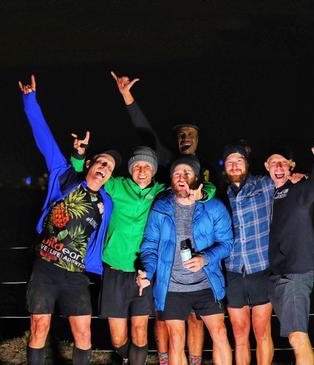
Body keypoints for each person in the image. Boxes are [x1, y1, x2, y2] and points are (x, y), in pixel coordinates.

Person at [70, 137, 216, 364]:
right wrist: (79, 157)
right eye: (137, 165)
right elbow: (86, 175)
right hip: (115, 269)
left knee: (140, 331)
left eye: (147, 166)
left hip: (145, 273)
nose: (142, 170)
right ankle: (126, 356)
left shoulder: (161, 191)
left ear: (154, 170)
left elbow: (208, 187)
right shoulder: (116, 186)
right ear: (130, 168)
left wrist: (202, 193)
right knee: (118, 339)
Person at [18, 75, 119, 365]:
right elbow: (43, 138)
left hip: (76, 274)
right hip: (46, 268)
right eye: (101, 161)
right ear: (90, 164)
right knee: (39, 326)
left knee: (84, 335)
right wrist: (30, 101)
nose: (104, 167)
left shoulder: (107, 202)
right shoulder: (64, 177)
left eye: (109, 167)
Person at [111, 71, 210, 365]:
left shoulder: (207, 169)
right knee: (163, 312)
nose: (184, 139)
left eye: (190, 134)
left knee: (196, 316)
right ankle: (165, 359)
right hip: (167, 246)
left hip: (198, 247)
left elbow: (215, 195)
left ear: (198, 139)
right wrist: (128, 97)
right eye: (180, 135)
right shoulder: (167, 163)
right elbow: (146, 133)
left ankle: (193, 361)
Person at [137, 156, 233, 365]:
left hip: (206, 283)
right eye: (177, 173)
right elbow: (150, 245)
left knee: (220, 332)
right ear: (171, 178)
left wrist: (205, 258)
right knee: (176, 340)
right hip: (172, 287)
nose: (181, 177)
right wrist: (147, 271)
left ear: (196, 177)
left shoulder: (213, 207)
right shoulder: (160, 208)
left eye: (187, 173)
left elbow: (227, 244)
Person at [265, 141, 314, 365]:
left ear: (291, 166)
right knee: (293, 334)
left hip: (296, 272)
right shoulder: (265, 194)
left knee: (297, 336)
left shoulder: (300, 189)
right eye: (274, 162)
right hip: (275, 273)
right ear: (267, 166)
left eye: (284, 162)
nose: (279, 166)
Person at [221, 143, 276, 365]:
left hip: (260, 267)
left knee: (262, 331)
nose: (234, 166)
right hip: (233, 270)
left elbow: (284, 181)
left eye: (238, 161)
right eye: (229, 162)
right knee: (239, 333)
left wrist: (296, 177)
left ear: (246, 163)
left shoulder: (264, 185)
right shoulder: (221, 194)